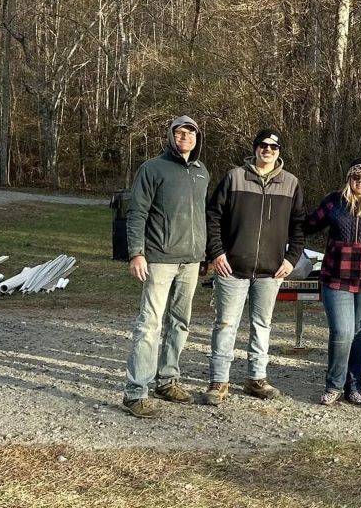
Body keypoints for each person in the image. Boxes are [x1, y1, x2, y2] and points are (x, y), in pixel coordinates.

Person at [201, 127, 304, 405]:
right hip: (232, 267)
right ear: (255, 148)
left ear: (279, 152)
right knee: (225, 324)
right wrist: (216, 253)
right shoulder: (234, 177)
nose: (267, 150)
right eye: (263, 145)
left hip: (271, 270)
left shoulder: (291, 183)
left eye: (273, 146)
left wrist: (291, 259)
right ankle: (218, 381)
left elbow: (298, 227)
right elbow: (213, 217)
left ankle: (256, 378)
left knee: (262, 325)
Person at [120, 116, 210, 418]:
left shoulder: (201, 172)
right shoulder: (152, 169)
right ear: (170, 136)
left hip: (191, 261)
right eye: (179, 132)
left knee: (180, 322)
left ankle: (168, 380)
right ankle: (136, 392)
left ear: (198, 138)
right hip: (159, 258)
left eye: (190, 133)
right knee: (150, 324)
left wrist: (205, 254)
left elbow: (201, 218)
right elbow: (136, 214)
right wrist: (137, 253)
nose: (185, 137)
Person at [303, 158, 361, 405]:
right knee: (342, 333)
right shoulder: (334, 202)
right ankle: (334, 384)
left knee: (359, 333)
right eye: (356, 177)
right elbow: (308, 225)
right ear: (349, 179)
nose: (360, 182)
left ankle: (354, 385)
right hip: (336, 277)